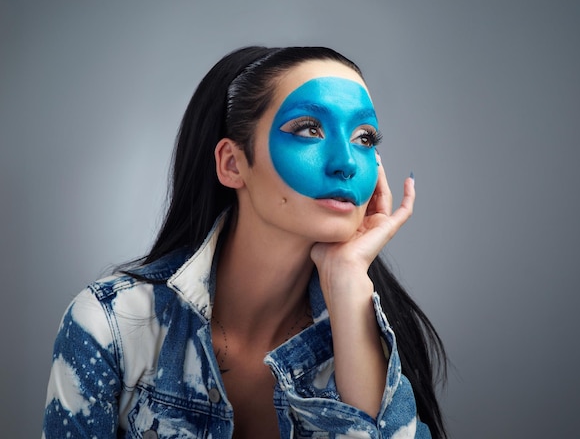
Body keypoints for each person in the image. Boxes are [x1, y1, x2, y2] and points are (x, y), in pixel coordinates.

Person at [42, 46, 447, 439]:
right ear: (233, 164)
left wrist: (347, 282)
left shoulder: (369, 331)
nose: (345, 162)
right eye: (309, 129)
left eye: (364, 137)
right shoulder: (109, 326)